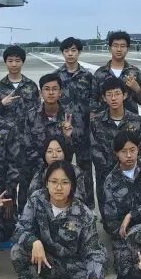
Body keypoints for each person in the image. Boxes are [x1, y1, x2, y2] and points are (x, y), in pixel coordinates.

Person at [12, 161, 106, 279]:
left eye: (65, 182)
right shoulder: (36, 200)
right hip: (45, 261)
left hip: (74, 267)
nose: (59, 187)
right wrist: (34, 241)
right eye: (54, 182)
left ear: (72, 185)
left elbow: (94, 251)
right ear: (46, 183)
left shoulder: (83, 213)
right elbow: (20, 229)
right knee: (18, 252)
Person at [26, 73, 86, 203]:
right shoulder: (31, 116)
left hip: (64, 171)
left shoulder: (70, 116)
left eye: (55, 89)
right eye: (47, 89)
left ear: (60, 93)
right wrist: (46, 166)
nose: (51, 92)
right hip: (38, 171)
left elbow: (78, 146)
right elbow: (27, 146)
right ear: (41, 93)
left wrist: (68, 138)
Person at [100, 131, 141, 240]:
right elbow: (111, 219)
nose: (129, 155)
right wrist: (124, 235)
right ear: (116, 153)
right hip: (125, 232)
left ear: (138, 149)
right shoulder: (110, 181)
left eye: (132, 150)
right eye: (123, 151)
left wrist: (132, 214)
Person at [90, 76, 141, 195]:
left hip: (132, 177)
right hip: (106, 179)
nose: (113, 98)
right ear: (104, 98)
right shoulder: (96, 122)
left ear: (124, 95)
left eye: (117, 94)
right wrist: (113, 171)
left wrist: (127, 167)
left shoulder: (136, 120)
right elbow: (95, 151)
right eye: (109, 95)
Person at [57, 37, 95, 203]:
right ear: (63, 53)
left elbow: (94, 101)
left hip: (84, 131)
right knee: (61, 170)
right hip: (62, 132)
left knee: (85, 171)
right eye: (67, 50)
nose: (70, 54)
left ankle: (88, 205)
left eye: (73, 50)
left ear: (79, 52)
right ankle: (64, 202)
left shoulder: (88, 76)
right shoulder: (56, 76)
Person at [90, 31, 141, 113]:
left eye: (122, 46)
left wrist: (137, 89)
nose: (119, 49)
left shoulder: (135, 72)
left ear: (127, 49)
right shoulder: (100, 73)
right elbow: (93, 100)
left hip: (130, 119)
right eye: (115, 46)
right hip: (105, 119)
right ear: (110, 48)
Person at [0, 45, 39, 132]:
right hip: (6, 134)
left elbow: (38, 110)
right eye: (10, 61)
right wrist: (1, 104)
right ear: (5, 62)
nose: (14, 64)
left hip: (28, 134)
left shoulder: (31, 85)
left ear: (22, 62)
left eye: (17, 61)